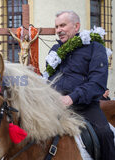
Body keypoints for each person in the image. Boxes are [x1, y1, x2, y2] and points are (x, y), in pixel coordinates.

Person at [48, 11, 115, 160]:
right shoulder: (54, 51)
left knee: (105, 134)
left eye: (63, 25)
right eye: (57, 26)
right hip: (55, 108)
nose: (58, 30)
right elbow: (49, 80)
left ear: (76, 26)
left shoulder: (95, 47)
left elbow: (97, 82)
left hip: (85, 107)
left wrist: (71, 98)